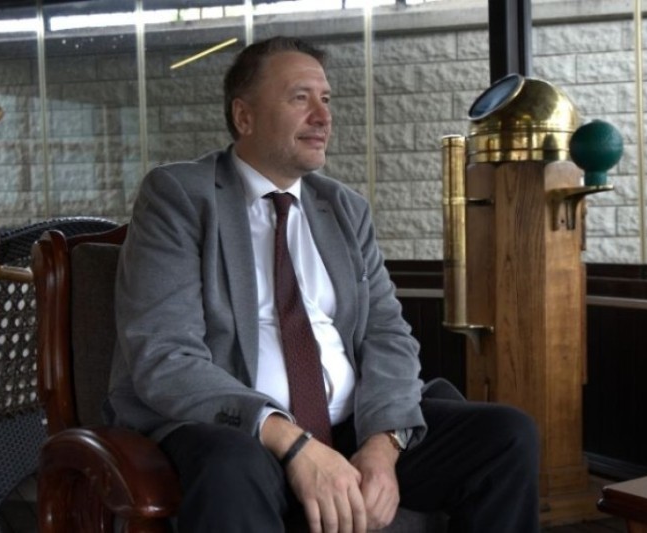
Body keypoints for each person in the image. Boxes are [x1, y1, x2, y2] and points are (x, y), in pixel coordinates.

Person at [106, 35, 540, 533]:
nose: (323, 116)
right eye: (300, 98)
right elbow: (164, 355)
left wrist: (383, 444)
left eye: (326, 99)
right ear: (244, 117)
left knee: (508, 435)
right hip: (244, 431)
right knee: (230, 466)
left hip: (353, 426)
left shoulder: (344, 208)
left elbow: (387, 334)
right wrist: (294, 444)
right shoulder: (180, 196)